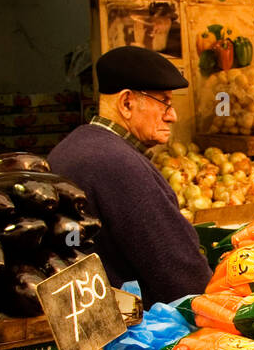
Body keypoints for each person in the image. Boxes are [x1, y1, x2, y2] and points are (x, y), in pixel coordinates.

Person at [48, 46, 211, 309]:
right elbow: (180, 273)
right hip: (130, 333)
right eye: (165, 103)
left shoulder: (71, 147)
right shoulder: (117, 163)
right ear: (127, 103)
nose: (173, 115)